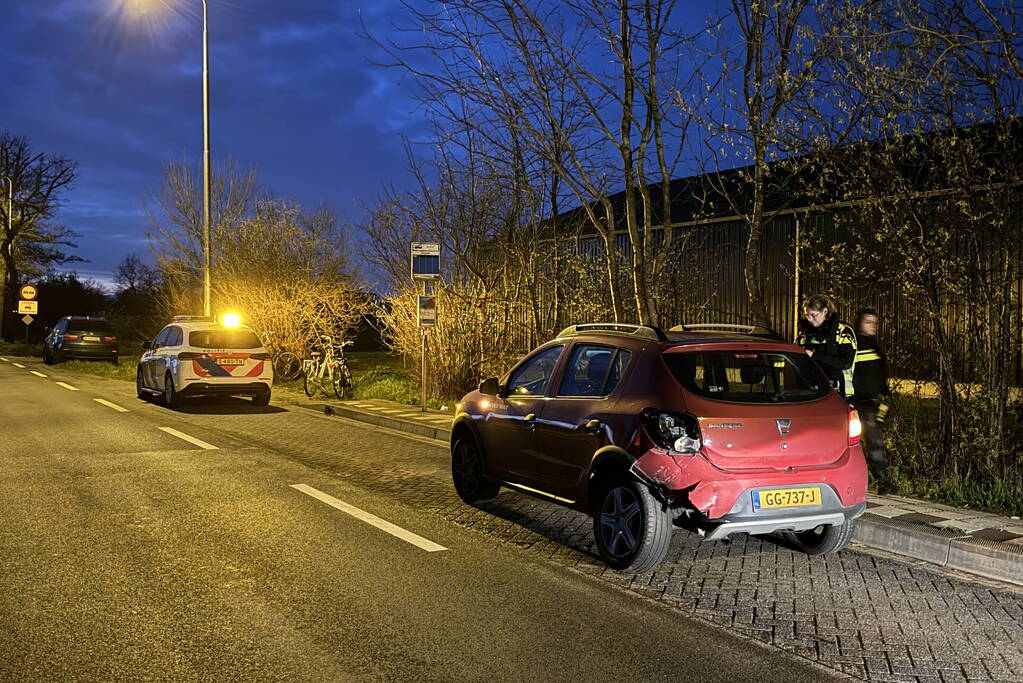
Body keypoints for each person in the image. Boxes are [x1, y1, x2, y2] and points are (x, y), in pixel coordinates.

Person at [851, 307, 896, 494]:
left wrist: (885, 397)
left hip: (872, 403)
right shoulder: (853, 345)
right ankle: (870, 481)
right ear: (859, 323)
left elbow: (880, 374)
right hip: (856, 402)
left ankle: (882, 481)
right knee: (862, 444)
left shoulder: (874, 345)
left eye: (874, 322)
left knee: (875, 442)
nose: (873, 326)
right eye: (868, 322)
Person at [796, 294, 857, 400]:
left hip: (840, 391)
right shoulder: (806, 334)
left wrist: (814, 356)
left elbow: (845, 362)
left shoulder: (843, 331)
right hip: (811, 391)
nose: (810, 319)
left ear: (825, 311)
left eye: (814, 315)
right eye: (807, 315)